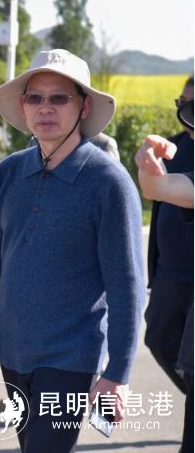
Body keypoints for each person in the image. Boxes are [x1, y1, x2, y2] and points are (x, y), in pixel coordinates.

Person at [0, 49, 145, 453]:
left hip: (72, 356)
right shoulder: (8, 172)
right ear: (23, 106)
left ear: (84, 106)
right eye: (35, 98)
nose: (45, 108)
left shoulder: (109, 183)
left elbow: (127, 285)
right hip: (13, 354)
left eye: (59, 98)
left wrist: (117, 372)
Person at [139, 78, 193, 453]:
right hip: (172, 271)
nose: (187, 114)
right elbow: (160, 190)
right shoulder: (174, 148)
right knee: (158, 339)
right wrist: (148, 164)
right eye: (184, 105)